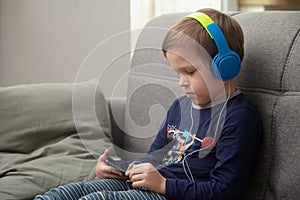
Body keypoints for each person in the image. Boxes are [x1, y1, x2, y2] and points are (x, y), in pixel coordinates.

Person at [35, 8, 261, 200]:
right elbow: (155, 157)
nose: (181, 82)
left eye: (189, 72)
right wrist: (119, 169)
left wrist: (163, 185)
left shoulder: (238, 118)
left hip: (170, 194)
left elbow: (225, 190)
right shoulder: (179, 107)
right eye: (178, 73)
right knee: (68, 193)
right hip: (150, 186)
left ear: (224, 67)